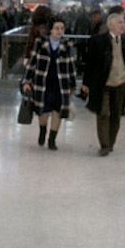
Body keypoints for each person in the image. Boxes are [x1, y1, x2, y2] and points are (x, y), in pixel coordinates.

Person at [83, 11, 125, 156]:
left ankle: (111, 142)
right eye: (119, 22)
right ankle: (104, 145)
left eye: (123, 22)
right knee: (103, 113)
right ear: (110, 25)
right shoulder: (98, 41)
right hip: (103, 83)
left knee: (116, 114)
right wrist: (86, 83)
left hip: (121, 82)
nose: (122, 25)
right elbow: (90, 64)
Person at [22, 17, 78, 151]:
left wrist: (72, 85)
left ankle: (52, 139)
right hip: (43, 83)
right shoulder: (40, 42)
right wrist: (27, 81)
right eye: (57, 28)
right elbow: (32, 62)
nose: (60, 31)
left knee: (57, 112)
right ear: (51, 30)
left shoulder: (67, 44)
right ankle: (42, 130)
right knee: (43, 112)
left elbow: (71, 65)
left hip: (61, 84)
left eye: (62, 29)